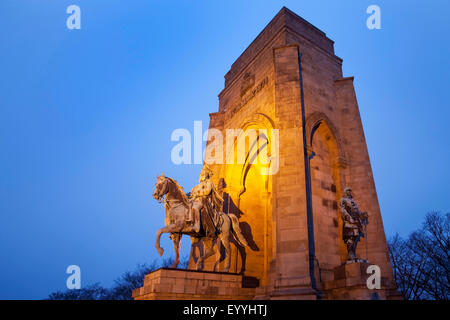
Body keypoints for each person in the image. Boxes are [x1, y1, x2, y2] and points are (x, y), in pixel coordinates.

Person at [187, 165, 223, 235]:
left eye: (204, 173)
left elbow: (207, 191)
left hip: (205, 200)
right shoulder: (198, 185)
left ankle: (197, 226)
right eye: (202, 173)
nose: (203, 174)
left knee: (195, 207)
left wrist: (198, 193)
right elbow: (191, 192)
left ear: (207, 174)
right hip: (196, 200)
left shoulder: (209, 182)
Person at [339, 187, 368, 261]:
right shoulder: (343, 200)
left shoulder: (353, 201)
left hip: (356, 222)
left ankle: (353, 253)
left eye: (350, 191)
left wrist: (362, 215)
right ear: (345, 192)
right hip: (349, 222)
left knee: (355, 238)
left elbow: (357, 212)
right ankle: (350, 253)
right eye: (348, 191)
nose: (349, 192)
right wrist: (349, 218)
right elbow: (342, 210)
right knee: (350, 237)